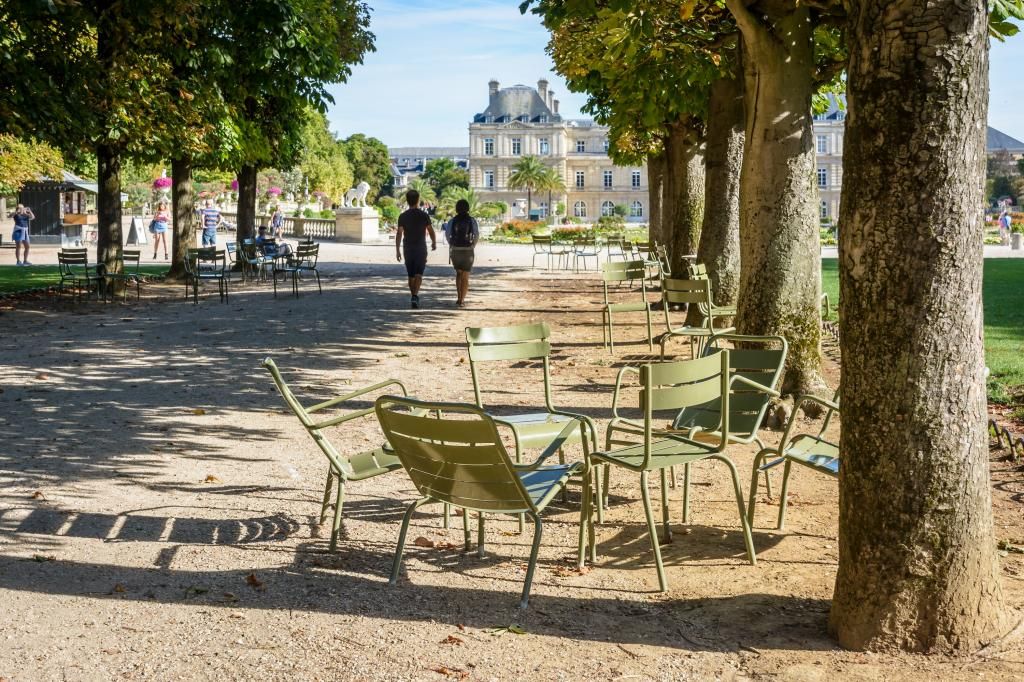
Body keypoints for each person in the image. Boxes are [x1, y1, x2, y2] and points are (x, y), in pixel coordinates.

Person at [395, 189, 436, 309]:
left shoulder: (403, 216)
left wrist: (397, 250)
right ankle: (415, 295)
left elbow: (399, 234)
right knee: (419, 274)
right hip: (420, 248)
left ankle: (413, 295)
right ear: (418, 200)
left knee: (410, 274)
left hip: (407, 248)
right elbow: (431, 231)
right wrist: (433, 242)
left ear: (407, 201)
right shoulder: (424, 215)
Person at [447, 199, 479, 307]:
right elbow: (476, 234)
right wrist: (472, 245)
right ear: (468, 208)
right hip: (467, 250)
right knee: (465, 275)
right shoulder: (472, 220)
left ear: (457, 208)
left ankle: (458, 296)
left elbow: (448, 235)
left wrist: (452, 245)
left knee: (458, 273)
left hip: (456, 249)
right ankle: (462, 300)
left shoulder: (452, 220)